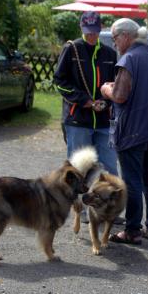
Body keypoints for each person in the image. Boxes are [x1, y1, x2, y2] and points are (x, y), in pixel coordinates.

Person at [100, 18, 148, 244]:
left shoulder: (129, 59)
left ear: (126, 36)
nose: (114, 43)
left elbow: (120, 96)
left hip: (132, 132)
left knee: (132, 182)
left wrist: (106, 89)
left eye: (115, 38)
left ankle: (132, 230)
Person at [53, 11, 118, 176]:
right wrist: (84, 101)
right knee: (77, 171)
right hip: (78, 120)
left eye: (95, 31)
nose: (91, 35)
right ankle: (76, 202)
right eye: (88, 31)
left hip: (103, 121)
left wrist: (105, 102)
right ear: (81, 28)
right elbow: (60, 81)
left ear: (101, 28)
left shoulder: (110, 54)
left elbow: (115, 85)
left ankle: (110, 201)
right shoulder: (71, 49)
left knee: (109, 168)